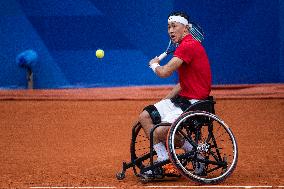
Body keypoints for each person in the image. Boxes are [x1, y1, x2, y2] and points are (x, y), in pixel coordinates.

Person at [138, 11, 212, 175]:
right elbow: (182, 84)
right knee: (145, 116)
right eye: (168, 27)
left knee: (159, 131)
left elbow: (164, 72)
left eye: (174, 26)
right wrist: (163, 102)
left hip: (195, 101)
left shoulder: (188, 46)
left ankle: (197, 150)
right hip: (182, 99)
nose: (170, 30)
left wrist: (154, 65)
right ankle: (164, 159)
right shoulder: (184, 46)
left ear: (185, 29)